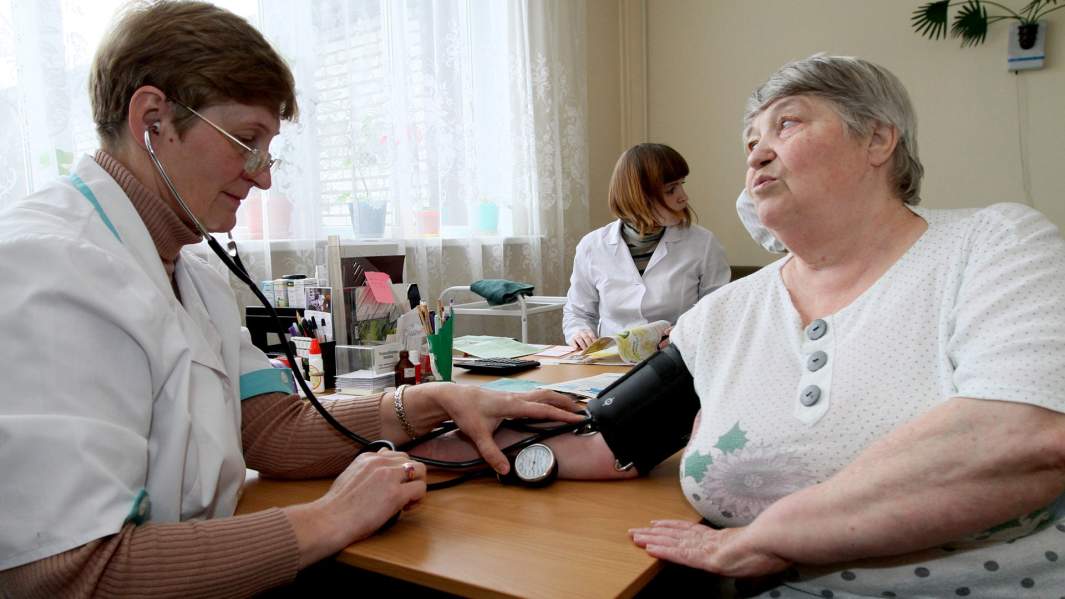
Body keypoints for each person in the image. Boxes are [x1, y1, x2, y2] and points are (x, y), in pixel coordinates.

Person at [0, 3, 583, 596]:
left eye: (267, 150)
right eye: (246, 141)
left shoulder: (190, 270)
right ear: (154, 120)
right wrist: (329, 519)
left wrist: (435, 400)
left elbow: (270, 429)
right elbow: (65, 572)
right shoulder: (46, 268)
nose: (263, 177)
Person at [624, 55, 1065, 596]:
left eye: (787, 123)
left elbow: (1023, 437)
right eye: (750, 142)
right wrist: (520, 418)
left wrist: (766, 539)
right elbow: (613, 436)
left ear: (877, 139)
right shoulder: (722, 313)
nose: (757, 153)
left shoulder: (995, 243)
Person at [562, 143, 730, 350]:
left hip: (679, 357)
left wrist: (686, 332)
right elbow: (578, 313)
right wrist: (579, 332)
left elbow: (718, 310)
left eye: (682, 184)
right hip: (612, 361)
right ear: (638, 196)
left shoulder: (703, 243)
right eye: (671, 190)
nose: (684, 197)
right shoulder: (592, 246)